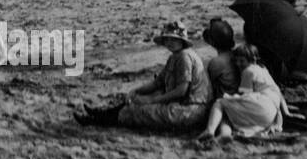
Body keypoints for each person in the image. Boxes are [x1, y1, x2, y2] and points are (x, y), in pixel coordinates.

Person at [76, 21, 212, 131]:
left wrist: (152, 101)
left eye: (174, 39)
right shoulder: (176, 57)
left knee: (137, 111)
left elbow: (181, 91)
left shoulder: (184, 57)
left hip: (189, 110)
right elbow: (158, 82)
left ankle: (96, 120)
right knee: (136, 101)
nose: (170, 42)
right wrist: (136, 91)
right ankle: (100, 114)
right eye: (167, 39)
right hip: (184, 106)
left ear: (181, 41)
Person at [198, 44, 290, 141]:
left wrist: (229, 97)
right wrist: (286, 112)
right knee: (229, 113)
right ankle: (225, 134)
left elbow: (244, 95)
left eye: (242, 61)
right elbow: (278, 92)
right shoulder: (263, 69)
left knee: (220, 103)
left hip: (261, 106)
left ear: (253, 59)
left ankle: (210, 130)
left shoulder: (248, 71)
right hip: (271, 114)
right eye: (236, 61)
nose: (238, 64)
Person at [201, 17, 239, 97]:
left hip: (225, 102)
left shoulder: (216, 62)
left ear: (212, 42)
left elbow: (210, 90)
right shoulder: (239, 54)